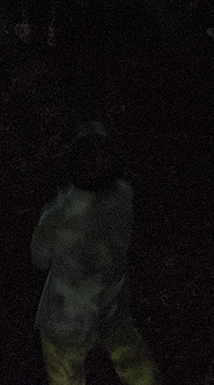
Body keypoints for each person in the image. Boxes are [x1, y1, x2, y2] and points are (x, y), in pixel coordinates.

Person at [31, 123, 160, 385]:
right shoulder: (123, 195)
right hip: (111, 301)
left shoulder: (58, 218)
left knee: (65, 373)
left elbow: (39, 258)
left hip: (66, 319)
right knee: (131, 357)